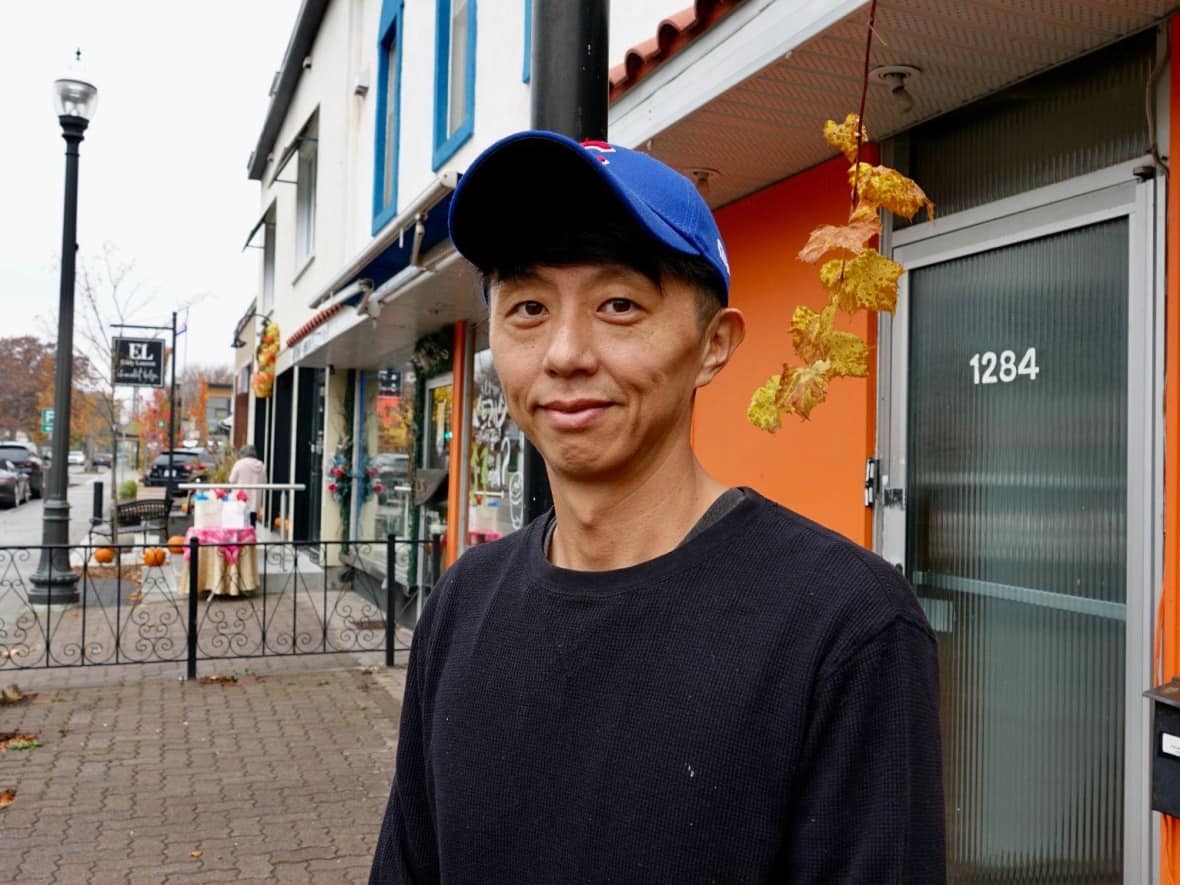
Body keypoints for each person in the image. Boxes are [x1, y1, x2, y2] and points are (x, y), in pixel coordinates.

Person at [369, 131, 945, 883]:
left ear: (714, 344)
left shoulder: (844, 627)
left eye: (619, 304)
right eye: (529, 307)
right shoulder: (461, 605)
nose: (566, 352)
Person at [227, 444, 266, 528]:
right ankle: (251, 539)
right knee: (252, 524)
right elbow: (264, 482)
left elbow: (231, 480)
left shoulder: (239, 464)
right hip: (255, 503)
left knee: (239, 525)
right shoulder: (262, 466)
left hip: (240, 501)